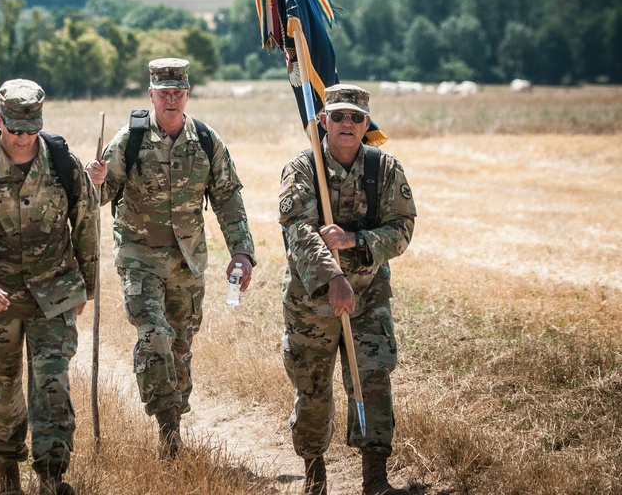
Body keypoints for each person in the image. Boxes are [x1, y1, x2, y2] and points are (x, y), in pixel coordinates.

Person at [85, 58, 256, 458]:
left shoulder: (208, 142)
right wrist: (94, 179)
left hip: (188, 261)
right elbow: (101, 195)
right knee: (155, 336)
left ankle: (173, 423)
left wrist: (242, 253)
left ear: (188, 93)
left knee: (180, 348)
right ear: (151, 95)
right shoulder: (129, 139)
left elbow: (228, 198)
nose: (171, 99)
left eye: (178, 92)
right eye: (164, 93)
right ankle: (167, 428)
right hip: (139, 256)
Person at [0, 79, 98, 495]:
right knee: (3, 389)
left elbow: (85, 224)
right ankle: (7, 472)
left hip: (54, 291)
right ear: (0, 121)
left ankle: (51, 476)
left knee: (52, 384)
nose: (25, 138)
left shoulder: (62, 160)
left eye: (32, 129)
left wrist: (86, 287)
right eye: (16, 130)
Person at [277, 84, 416, 495]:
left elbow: (402, 229)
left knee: (372, 379)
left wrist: (354, 241)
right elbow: (298, 232)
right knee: (313, 387)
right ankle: (314, 471)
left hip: (369, 296)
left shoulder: (385, 169)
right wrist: (333, 278)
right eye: (338, 116)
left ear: (366, 123)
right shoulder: (302, 168)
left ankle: (375, 477)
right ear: (323, 120)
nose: (347, 124)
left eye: (356, 118)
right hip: (312, 299)